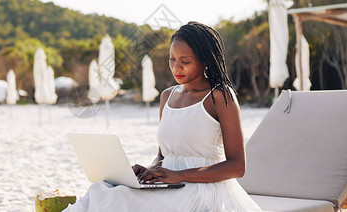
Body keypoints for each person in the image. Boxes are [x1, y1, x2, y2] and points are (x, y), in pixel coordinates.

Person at [65, 21, 261, 211]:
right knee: (101, 190)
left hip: (204, 188)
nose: (176, 67)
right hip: (169, 184)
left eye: (185, 61)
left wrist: (179, 175)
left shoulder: (220, 96)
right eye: (172, 59)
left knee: (122, 200)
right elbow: (163, 155)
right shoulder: (167, 96)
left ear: (204, 61)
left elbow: (237, 166)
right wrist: (149, 171)